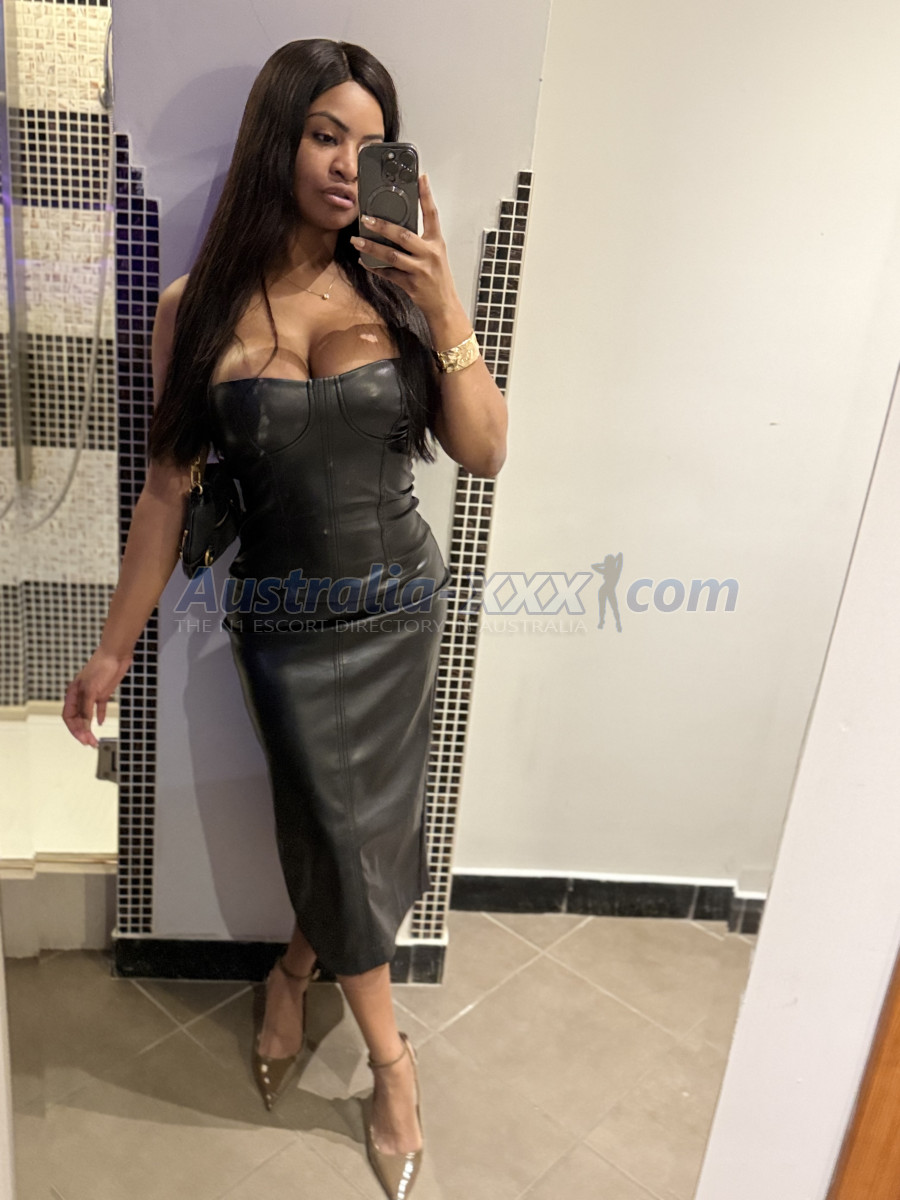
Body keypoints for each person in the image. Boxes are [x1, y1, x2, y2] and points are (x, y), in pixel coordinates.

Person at [62, 37, 507, 1200]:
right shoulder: (195, 309)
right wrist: (111, 649)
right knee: (334, 825)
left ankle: (308, 990)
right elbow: (166, 493)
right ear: (279, 139)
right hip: (285, 623)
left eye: (371, 143)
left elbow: (484, 451)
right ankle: (384, 1056)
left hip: (401, 605)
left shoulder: (402, 289)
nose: (349, 164)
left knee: (353, 836)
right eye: (324, 135)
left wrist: (444, 300)